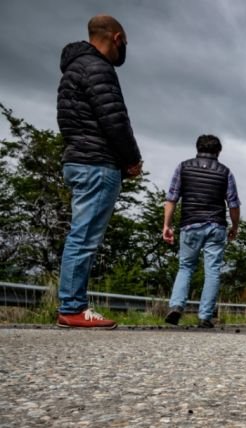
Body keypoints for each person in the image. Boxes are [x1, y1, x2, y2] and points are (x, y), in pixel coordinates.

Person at [56, 14, 142, 329]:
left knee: (81, 233)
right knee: (85, 237)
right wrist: (132, 159)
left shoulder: (73, 69)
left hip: (77, 159)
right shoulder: (98, 68)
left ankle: (71, 306)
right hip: (97, 163)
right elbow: (114, 118)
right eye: (125, 44)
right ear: (116, 38)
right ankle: (73, 308)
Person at [162, 135, 241, 328]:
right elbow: (233, 204)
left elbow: (172, 198)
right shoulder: (225, 172)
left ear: (197, 148)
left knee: (185, 267)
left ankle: (176, 306)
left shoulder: (183, 167)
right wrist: (235, 226)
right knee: (212, 270)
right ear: (218, 152)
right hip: (216, 226)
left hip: (190, 224)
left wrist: (167, 225)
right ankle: (205, 316)